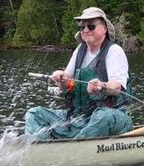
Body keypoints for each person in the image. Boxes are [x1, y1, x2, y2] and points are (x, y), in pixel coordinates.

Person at [25, 7, 133, 140]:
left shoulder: (114, 51)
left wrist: (102, 86)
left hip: (113, 117)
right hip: (78, 118)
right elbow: (66, 84)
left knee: (103, 116)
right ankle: (38, 145)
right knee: (35, 113)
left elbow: (117, 88)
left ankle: (71, 149)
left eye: (91, 26)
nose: (86, 30)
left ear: (104, 28)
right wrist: (61, 79)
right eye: (82, 27)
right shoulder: (79, 51)